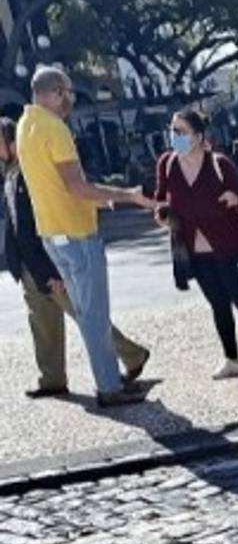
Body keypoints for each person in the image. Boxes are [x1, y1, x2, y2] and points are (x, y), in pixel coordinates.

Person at [17, 67, 154, 407]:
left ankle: (111, 380)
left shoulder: (24, 126)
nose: (71, 100)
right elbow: (75, 186)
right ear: (57, 92)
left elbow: (53, 185)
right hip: (77, 235)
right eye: (69, 92)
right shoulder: (54, 128)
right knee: (93, 315)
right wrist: (128, 195)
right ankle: (109, 387)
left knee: (87, 313)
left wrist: (100, 196)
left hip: (52, 235)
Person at [155, 110, 238, 380]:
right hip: (195, 251)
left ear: (198, 137)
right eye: (172, 130)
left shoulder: (220, 163)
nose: (174, 136)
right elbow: (161, 199)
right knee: (218, 305)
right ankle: (232, 359)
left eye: (181, 131)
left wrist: (235, 198)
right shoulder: (167, 163)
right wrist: (163, 214)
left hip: (229, 245)